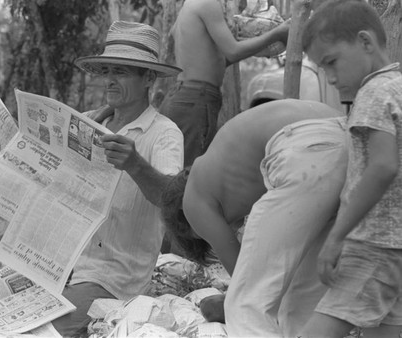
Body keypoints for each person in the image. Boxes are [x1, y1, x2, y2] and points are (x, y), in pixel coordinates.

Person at [0, 21, 184, 337]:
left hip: (113, 277)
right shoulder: (86, 123)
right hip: (57, 265)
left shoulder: (163, 133)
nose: (110, 80)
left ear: (149, 78)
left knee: (38, 332)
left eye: (122, 72)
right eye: (107, 71)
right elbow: (31, 165)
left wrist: (136, 165)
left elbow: (173, 200)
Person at [161, 99, 348, 337]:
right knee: (303, 299)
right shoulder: (228, 170)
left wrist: (220, 303)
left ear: (189, 227)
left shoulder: (193, 203)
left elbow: (247, 280)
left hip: (306, 145)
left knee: (246, 305)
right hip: (345, 130)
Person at [298, 1, 402, 337]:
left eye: (331, 62)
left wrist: (337, 235)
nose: (329, 77)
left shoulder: (373, 92)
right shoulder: (398, 87)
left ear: (366, 42)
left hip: (373, 242)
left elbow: (382, 167)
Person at [158, 0, 290, 167]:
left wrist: (259, 46)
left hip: (186, 97)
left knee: (180, 171)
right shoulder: (207, 3)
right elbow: (233, 51)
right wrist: (277, 33)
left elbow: (216, 61)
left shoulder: (190, 6)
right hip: (194, 100)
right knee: (185, 178)